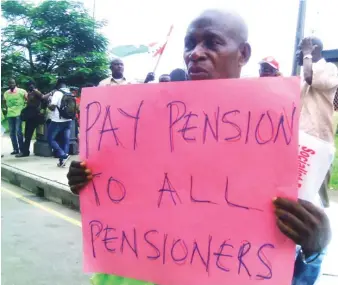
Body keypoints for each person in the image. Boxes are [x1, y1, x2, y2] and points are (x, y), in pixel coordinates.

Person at [67, 10, 331, 285]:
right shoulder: (139, 120)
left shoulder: (274, 136)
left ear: (243, 54)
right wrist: (88, 180)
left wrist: (314, 247)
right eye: (190, 44)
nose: (195, 53)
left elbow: (284, 266)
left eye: (212, 42)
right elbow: (117, 195)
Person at [296, 37, 338, 209]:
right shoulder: (303, 72)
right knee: (300, 190)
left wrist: (306, 55)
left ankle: (324, 227)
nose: (299, 53)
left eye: (302, 49)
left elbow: (310, 77)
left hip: (319, 140)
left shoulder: (330, 69)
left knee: (319, 192)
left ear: (313, 49)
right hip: (302, 137)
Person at [16, 81, 51, 158]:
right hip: (30, 116)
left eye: (31, 85)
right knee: (27, 134)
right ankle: (25, 151)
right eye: (29, 85)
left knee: (28, 134)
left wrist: (42, 110)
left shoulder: (36, 92)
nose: (30, 86)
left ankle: (25, 152)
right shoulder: (30, 93)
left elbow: (43, 97)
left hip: (35, 116)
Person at [47, 78, 73, 167]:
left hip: (57, 120)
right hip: (69, 120)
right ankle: (62, 162)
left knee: (50, 138)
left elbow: (53, 107)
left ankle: (62, 154)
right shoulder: (69, 92)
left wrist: (48, 104)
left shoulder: (57, 93)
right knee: (65, 141)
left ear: (58, 85)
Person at [3, 79, 27, 155]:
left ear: (15, 83)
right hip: (10, 115)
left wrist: (24, 109)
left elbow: (27, 100)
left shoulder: (22, 91)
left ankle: (22, 150)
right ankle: (15, 149)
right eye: (10, 83)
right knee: (12, 133)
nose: (11, 85)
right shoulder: (6, 93)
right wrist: (7, 111)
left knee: (18, 132)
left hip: (18, 114)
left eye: (13, 83)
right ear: (8, 84)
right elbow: (5, 103)